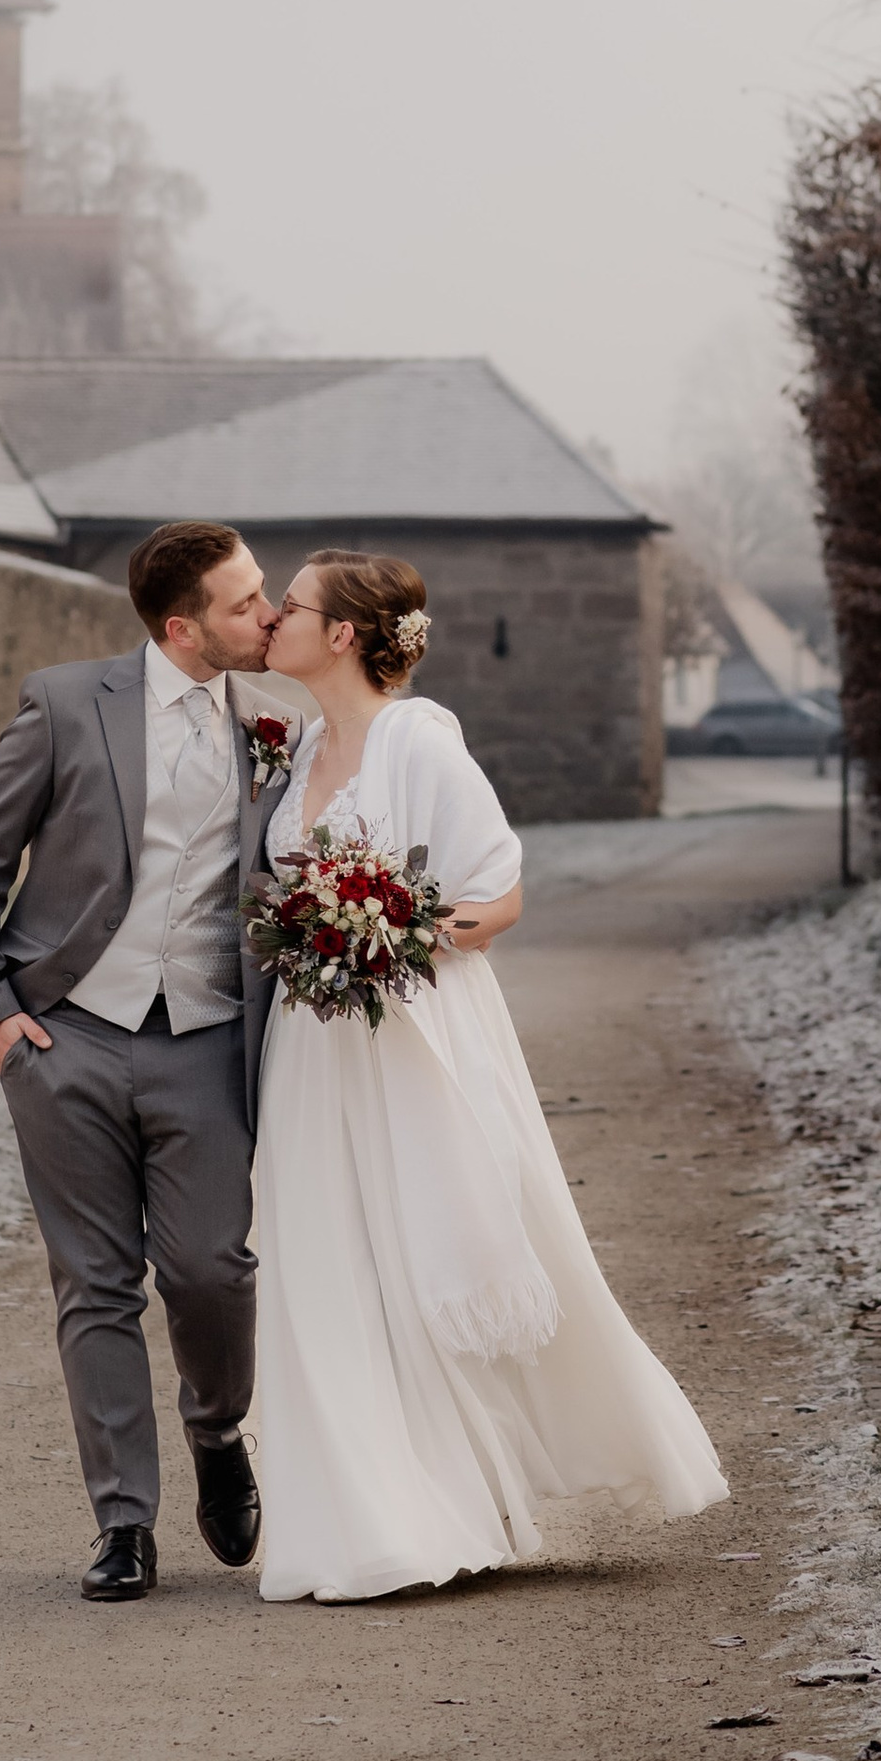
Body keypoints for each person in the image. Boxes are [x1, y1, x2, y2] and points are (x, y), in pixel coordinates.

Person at [250, 549, 729, 1603]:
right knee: (325, 1262)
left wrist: (379, 943)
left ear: (340, 634)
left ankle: (457, 1494)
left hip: (410, 1026)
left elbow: (497, 898)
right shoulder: (298, 747)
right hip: (312, 1044)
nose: (270, 617)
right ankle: (364, 1512)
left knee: (426, 1249)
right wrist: (324, 946)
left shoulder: (417, 738)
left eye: (289, 604)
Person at [0, 518, 285, 1604]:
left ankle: (217, 1426)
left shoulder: (277, 715)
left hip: (207, 1037)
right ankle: (124, 1522)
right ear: (181, 625)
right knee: (94, 1284)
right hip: (68, 1038)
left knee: (209, 1268)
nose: (267, 613)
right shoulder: (63, 702)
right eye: (244, 602)